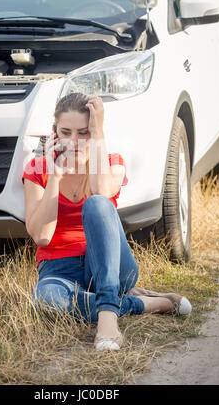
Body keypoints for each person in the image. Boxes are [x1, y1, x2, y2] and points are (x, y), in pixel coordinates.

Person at [22, 92, 192, 351]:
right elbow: (42, 236)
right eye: (66, 132)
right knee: (47, 301)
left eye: (84, 133)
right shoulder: (37, 169)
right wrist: (55, 175)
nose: (74, 141)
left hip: (111, 266)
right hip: (58, 271)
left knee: (97, 203)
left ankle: (108, 317)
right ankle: (146, 303)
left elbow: (101, 193)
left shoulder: (112, 163)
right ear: (54, 133)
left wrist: (98, 131)